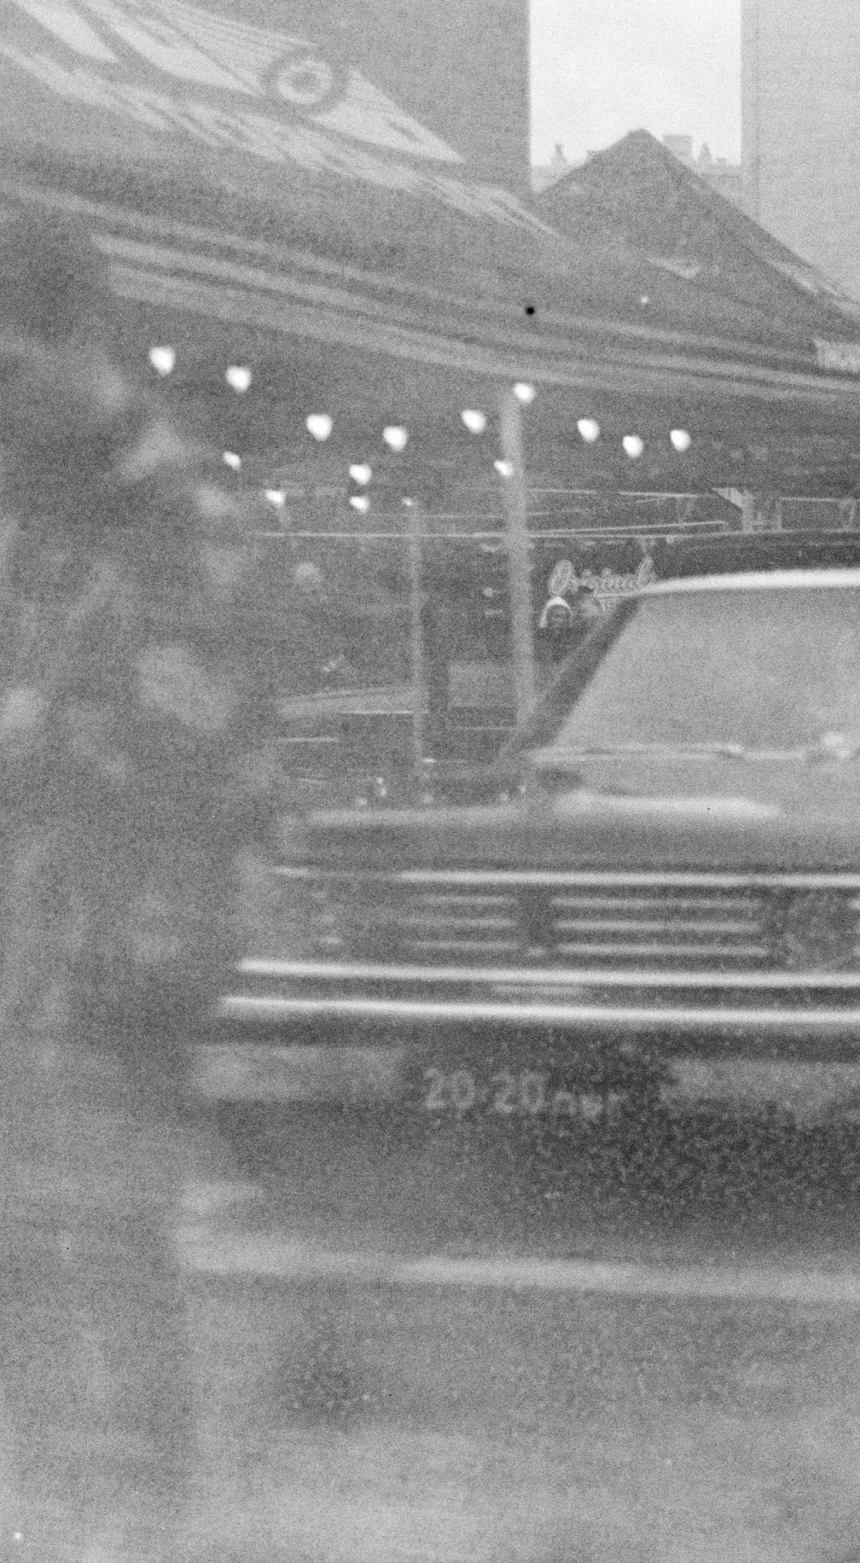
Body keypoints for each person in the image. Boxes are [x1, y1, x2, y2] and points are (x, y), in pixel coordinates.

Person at [0, 211, 277, 1558]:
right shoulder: (25, 495)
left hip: (125, 951)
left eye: (5, 367)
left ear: (79, 339)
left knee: (106, 1255)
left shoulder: (185, 508)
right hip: (19, 938)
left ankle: (136, 1532)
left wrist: (30, 720)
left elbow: (183, 732)